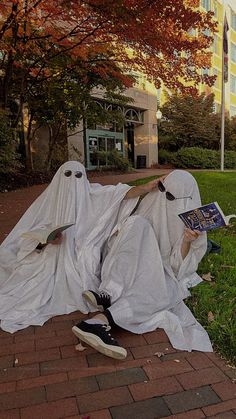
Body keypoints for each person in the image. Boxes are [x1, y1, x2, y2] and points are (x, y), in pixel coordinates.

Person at [0, 161, 160, 333]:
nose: (73, 180)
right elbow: (27, 234)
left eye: (78, 176)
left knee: (85, 258)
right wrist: (44, 240)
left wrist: (146, 187)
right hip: (51, 253)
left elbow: (119, 193)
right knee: (26, 273)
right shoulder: (48, 201)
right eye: (67, 175)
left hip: (82, 250)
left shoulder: (92, 194)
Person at [72, 170, 213, 359]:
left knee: (159, 291)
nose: (165, 199)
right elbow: (120, 246)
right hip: (130, 266)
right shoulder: (151, 205)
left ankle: (100, 320)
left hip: (161, 271)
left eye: (172, 197)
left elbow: (178, 268)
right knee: (136, 224)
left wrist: (186, 241)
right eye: (164, 190)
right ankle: (108, 295)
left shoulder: (192, 224)